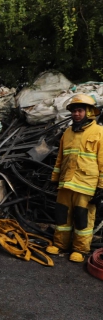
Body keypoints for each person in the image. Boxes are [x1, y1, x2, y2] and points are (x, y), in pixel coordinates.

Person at [46, 94, 103, 263]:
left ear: (90, 112)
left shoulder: (99, 132)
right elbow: (60, 159)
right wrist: (55, 179)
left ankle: (80, 249)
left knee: (82, 219)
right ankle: (60, 244)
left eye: (80, 111)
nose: (76, 114)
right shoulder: (67, 133)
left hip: (86, 185)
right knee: (62, 217)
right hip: (66, 184)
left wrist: (101, 187)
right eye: (74, 111)